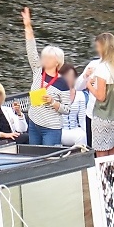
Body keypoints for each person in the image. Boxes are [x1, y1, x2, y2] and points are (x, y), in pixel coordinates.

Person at [21, 7, 70, 145]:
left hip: (51, 128)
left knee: (48, 158)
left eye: (49, 57)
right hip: (34, 122)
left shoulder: (62, 82)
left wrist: (53, 102)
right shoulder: (38, 71)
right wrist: (28, 26)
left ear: (57, 62)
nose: (45, 59)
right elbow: (31, 49)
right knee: (33, 156)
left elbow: (67, 109)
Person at [58, 64, 87, 146]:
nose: (69, 79)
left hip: (74, 128)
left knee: (82, 135)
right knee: (80, 136)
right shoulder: (56, 93)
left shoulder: (80, 95)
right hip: (61, 129)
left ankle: (82, 155)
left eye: (71, 76)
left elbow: (82, 119)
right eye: (66, 76)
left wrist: (87, 133)